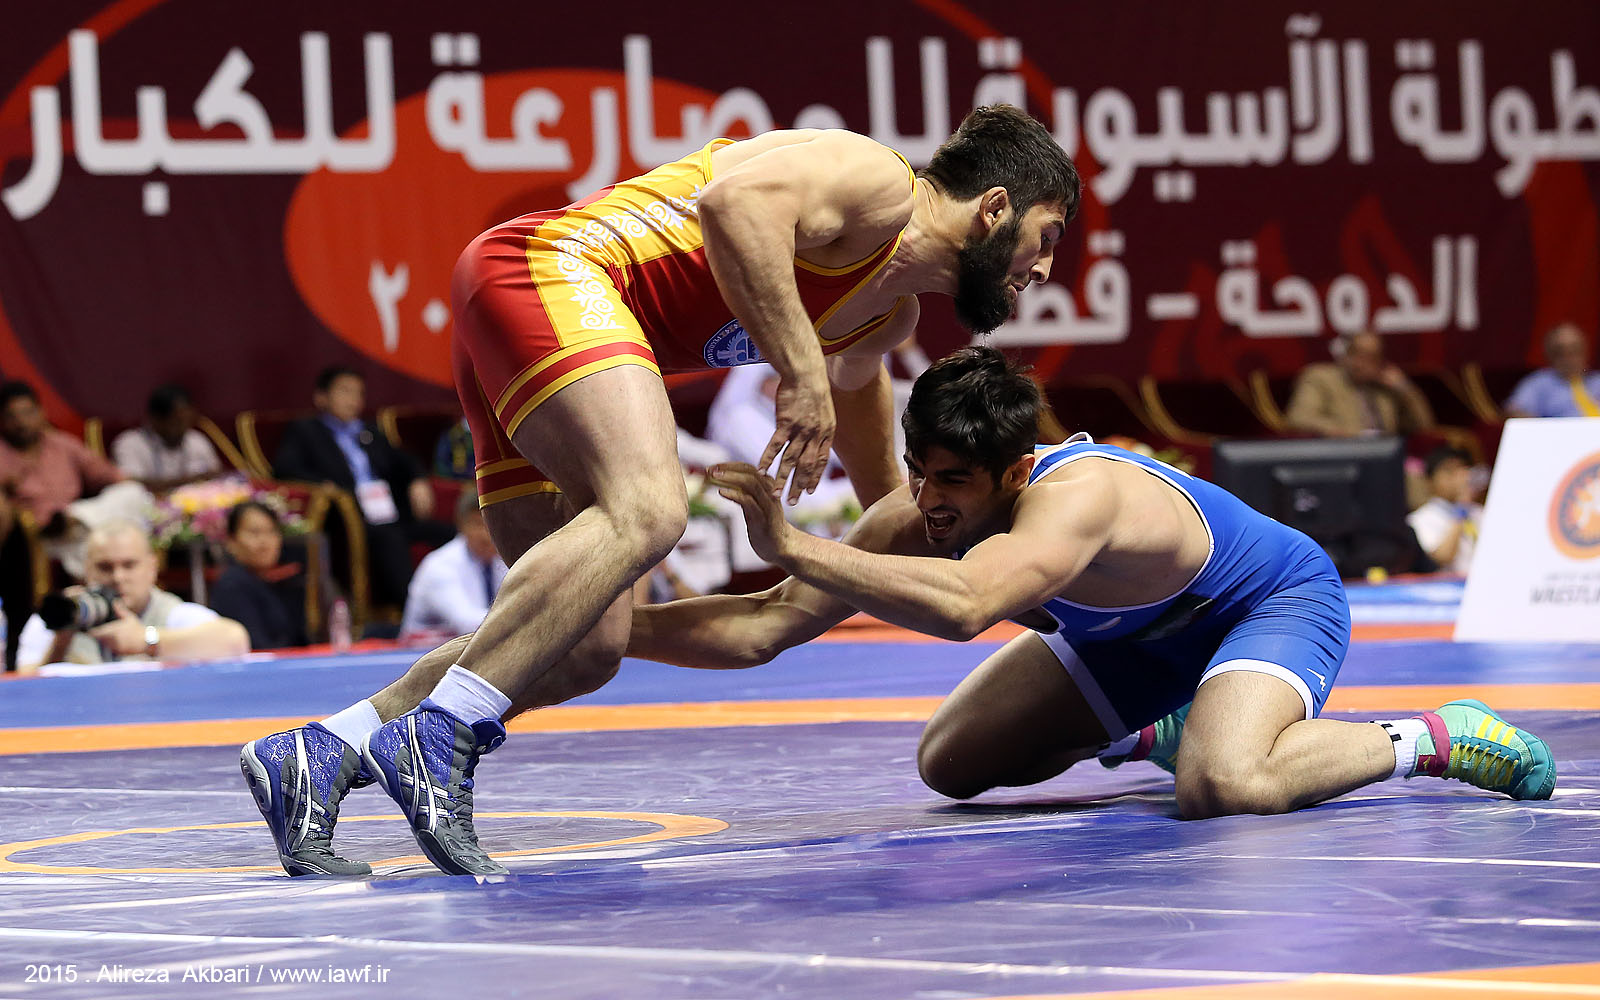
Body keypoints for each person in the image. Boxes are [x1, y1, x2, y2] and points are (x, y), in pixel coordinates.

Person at [240, 105, 1082, 877]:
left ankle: (323, 752)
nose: (1044, 268)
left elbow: (867, 442)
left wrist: (931, 550)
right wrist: (798, 371)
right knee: (649, 509)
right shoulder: (877, 181)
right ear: (994, 209)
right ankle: (446, 729)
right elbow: (733, 204)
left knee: (582, 641)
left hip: (527, 318)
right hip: (551, 270)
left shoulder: (885, 317)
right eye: (1046, 237)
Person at [630, 347, 1554, 823]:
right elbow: (764, 626)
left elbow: (967, 607)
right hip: (1131, 642)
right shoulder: (919, 512)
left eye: (955, 482)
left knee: (1225, 785)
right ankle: (1164, 724)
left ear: (1015, 472)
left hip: (1262, 605)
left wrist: (792, 543)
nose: (931, 501)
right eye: (921, 473)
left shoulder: (1077, 499)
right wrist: (604, 628)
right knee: (950, 764)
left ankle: (1436, 736)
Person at [272, 367, 452, 609]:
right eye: (345, 391)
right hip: (349, 519)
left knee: (449, 533)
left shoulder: (368, 432)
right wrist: (324, 485)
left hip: (390, 514)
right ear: (321, 397)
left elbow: (403, 459)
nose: (353, 400)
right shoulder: (306, 431)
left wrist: (418, 479)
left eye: (359, 393)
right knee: (390, 539)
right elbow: (286, 469)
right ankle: (413, 611)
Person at [0, 381, 125, 669]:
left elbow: (112, 477)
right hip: (32, 540)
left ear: (41, 413)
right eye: (11, 416)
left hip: (78, 526)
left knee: (130, 494)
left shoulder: (63, 445)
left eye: (27, 413)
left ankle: (79, 525)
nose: (21, 422)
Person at [16, 519, 249, 672]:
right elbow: (23, 685)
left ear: (152, 568)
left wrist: (147, 640)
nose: (118, 577)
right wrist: (61, 643)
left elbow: (234, 640)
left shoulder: (174, 614)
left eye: (129, 565)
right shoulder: (59, 615)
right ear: (87, 570)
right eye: (105, 567)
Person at [400, 489, 507, 641]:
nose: (485, 535)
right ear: (461, 525)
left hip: (473, 649)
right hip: (420, 653)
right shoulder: (438, 566)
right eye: (477, 524)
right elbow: (467, 623)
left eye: (491, 524)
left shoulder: (502, 560)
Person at [1285, 332, 1436, 438]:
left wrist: (1404, 388)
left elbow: (1424, 426)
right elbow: (1299, 417)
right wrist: (1348, 433)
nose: (1361, 362)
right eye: (1356, 353)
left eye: (1371, 357)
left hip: (1384, 457)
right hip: (1341, 454)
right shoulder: (1321, 378)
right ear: (1346, 355)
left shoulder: (1386, 389)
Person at [209, 500, 314, 650]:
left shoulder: (283, 581)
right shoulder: (232, 585)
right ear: (231, 541)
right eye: (254, 532)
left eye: (271, 531)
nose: (265, 542)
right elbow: (256, 648)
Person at [111, 384, 223, 493]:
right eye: (177, 422)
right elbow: (132, 485)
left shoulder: (196, 439)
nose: (184, 428)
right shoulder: (128, 443)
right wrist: (192, 480)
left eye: (189, 421)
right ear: (155, 419)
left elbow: (217, 476)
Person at [1406, 445, 1482, 575]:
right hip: (1451, 584)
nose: (1459, 478)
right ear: (1429, 480)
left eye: (1462, 469)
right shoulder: (1420, 519)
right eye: (1449, 472)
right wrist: (1460, 512)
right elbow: (1442, 557)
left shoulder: (1480, 512)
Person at [1504, 323, 1600, 418]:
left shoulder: (1597, 380)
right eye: (1561, 352)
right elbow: (1514, 412)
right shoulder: (1538, 383)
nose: (1570, 357)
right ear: (1549, 355)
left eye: (1575, 349)